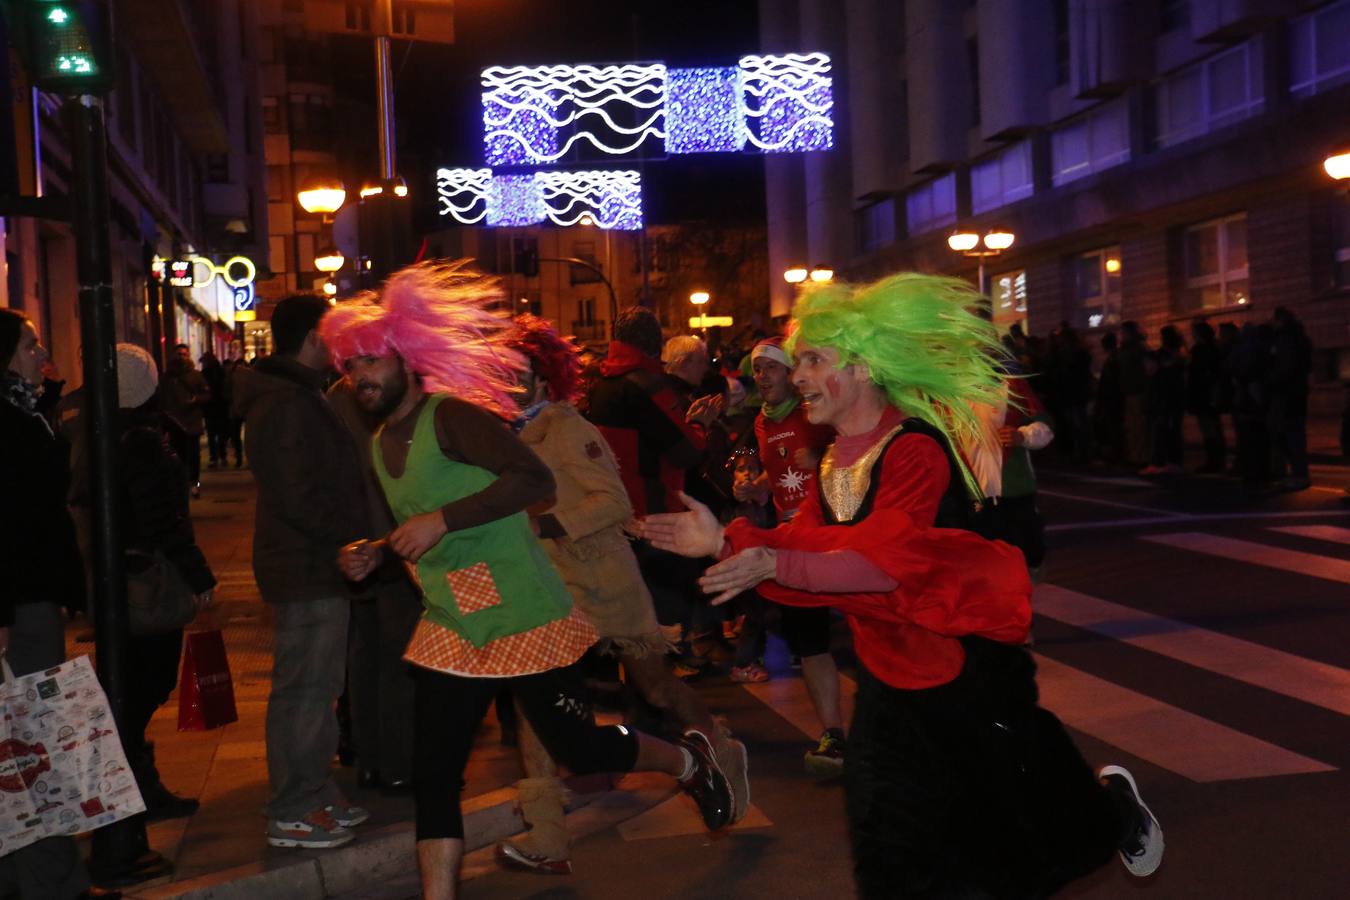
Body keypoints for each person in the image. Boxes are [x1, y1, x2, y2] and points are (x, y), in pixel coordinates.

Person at [642, 273, 1163, 898]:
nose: (797, 374)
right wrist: (728, 542)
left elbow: (879, 564)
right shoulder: (836, 459)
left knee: (1035, 844)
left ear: (862, 368)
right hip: (891, 676)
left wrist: (770, 562)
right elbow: (813, 546)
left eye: (813, 359)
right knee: (887, 849)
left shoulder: (915, 450)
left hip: (966, 668)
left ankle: (1115, 811)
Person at [322, 263, 734, 900]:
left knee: (580, 748)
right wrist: (377, 552)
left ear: (407, 357)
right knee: (434, 774)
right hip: (454, 622)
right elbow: (426, 528)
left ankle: (687, 759)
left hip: (523, 611)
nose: (361, 378)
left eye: (371, 361)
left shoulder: (452, 418)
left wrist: (441, 519)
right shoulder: (379, 443)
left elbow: (533, 484)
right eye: (350, 367)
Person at [492, 314, 748, 874]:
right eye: (501, 373)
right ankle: (548, 834)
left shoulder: (567, 428)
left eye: (520, 374)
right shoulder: (494, 434)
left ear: (544, 379)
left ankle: (721, 757)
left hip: (604, 581)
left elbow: (611, 502)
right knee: (532, 705)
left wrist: (541, 525)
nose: (509, 384)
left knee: (656, 687)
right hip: (545, 589)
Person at [232, 294, 373, 850]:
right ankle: (293, 806)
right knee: (306, 691)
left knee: (317, 689)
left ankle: (312, 795)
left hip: (311, 563)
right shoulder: (289, 401)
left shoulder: (294, 395)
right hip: (307, 564)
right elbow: (298, 491)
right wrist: (346, 539)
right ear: (316, 337)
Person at [0, 309, 101, 900]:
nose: (42, 354)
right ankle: (54, 882)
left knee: (28, 745)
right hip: (20, 605)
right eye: (31, 344)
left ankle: (28, 878)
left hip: (33, 597)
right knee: (35, 750)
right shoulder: (9, 419)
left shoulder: (22, 410)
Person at [111, 344, 216, 820]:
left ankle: (133, 782)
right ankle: (135, 785)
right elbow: (162, 518)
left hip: (124, 576)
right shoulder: (143, 441)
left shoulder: (108, 434)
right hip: (147, 579)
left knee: (133, 685)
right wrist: (197, 572)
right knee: (145, 683)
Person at [741, 338, 848, 774]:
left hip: (841, 536)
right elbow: (777, 469)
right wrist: (757, 486)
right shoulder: (761, 423)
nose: (762, 377)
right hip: (795, 539)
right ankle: (834, 735)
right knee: (810, 641)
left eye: (770, 367)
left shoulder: (817, 412)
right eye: (757, 370)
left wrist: (824, 454)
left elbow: (864, 444)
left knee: (876, 626)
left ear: (790, 373)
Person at [326, 375, 422, 794]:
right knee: (399, 659)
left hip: (357, 541)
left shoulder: (339, 396)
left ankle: (369, 758)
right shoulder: (394, 393)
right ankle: (398, 762)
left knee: (365, 657)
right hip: (395, 542)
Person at [1267, 306, 1312, 491]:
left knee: (1288, 433)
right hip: (1296, 391)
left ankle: (1299, 474)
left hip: (1286, 392)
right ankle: (1298, 473)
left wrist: (1270, 380)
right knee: (1293, 432)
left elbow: (1284, 368)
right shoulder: (1300, 338)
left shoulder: (1285, 340)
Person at [159, 344, 209, 497]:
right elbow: (162, 398)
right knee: (177, 457)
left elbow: (207, 395)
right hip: (174, 423)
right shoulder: (167, 377)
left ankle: (195, 484)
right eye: (179, 354)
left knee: (194, 457)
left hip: (191, 422)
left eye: (185, 354)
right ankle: (180, 485)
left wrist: (196, 399)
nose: (182, 357)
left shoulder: (196, 375)